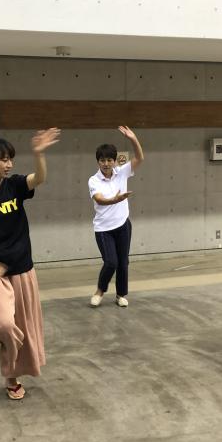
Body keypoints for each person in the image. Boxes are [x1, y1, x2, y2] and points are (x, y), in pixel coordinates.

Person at [0, 128, 60, 400]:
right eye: (3, 159)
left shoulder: (14, 185)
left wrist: (39, 154)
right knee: (3, 324)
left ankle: (11, 377)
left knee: (20, 327)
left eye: (11, 159)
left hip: (22, 267)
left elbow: (39, 178)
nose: (9, 164)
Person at [88, 126, 145, 308]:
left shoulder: (122, 172)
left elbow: (139, 158)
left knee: (123, 262)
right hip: (104, 229)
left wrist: (133, 138)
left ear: (114, 161)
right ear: (98, 162)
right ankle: (100, 291)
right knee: (111, 262)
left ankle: (120, 295)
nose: (106, 163)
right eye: (102, 160)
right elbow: (99, 199)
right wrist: (115, 199)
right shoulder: (94, 180)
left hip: (123, 225)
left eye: (109, 160)